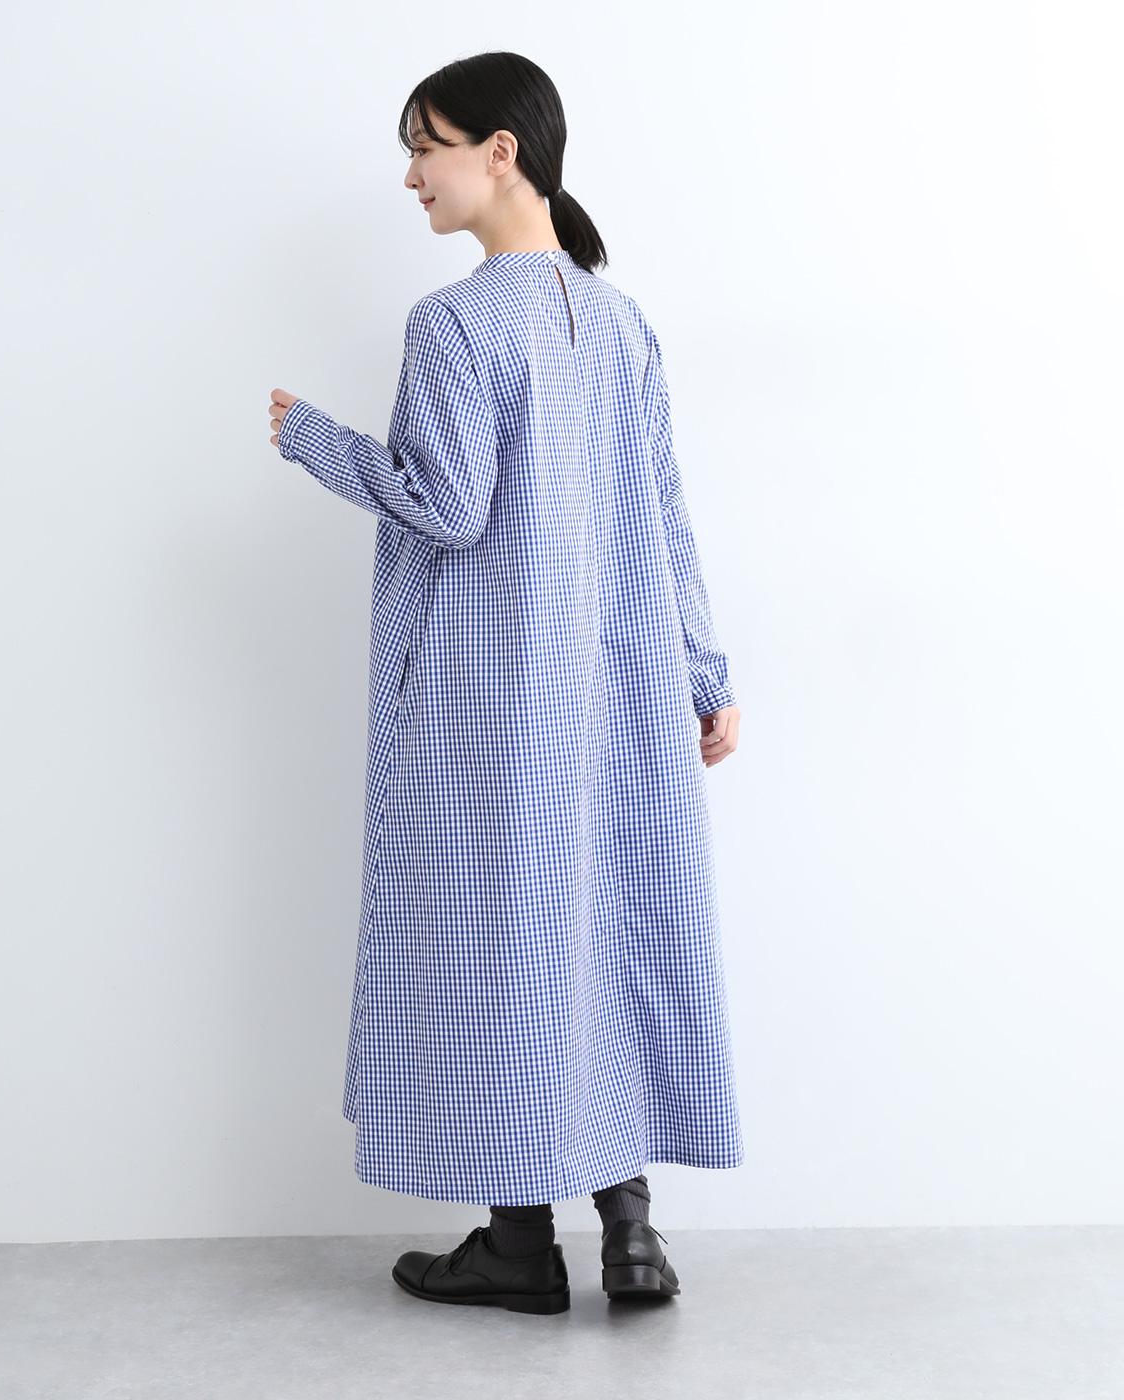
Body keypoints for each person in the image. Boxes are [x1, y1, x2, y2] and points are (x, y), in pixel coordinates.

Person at [268, 51, 743, 1315]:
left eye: (427, 146)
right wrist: (706, 673)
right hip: (624, 693)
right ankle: (629, 1233)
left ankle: (519, 1244)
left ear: (501, 150)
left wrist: (313, 439)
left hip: (498, 696)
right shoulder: (621, 319)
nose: (411, 175)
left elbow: (449, 505)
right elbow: (667, 515)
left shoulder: (457, 322)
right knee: (610, 926)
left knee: (504, 946)